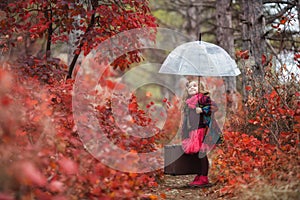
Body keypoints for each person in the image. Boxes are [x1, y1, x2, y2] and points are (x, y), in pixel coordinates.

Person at [181, 80, 216, 187]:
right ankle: (199, 174)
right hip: (193, 130)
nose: (192, 88)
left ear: (200, 88)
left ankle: (204, 177)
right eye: (189, 87)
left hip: (202, 129)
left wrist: (202, 109)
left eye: (195, 86)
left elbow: (214, 107)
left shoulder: (203, 98)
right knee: (196, 154)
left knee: (201, 153)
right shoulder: (188, 102)